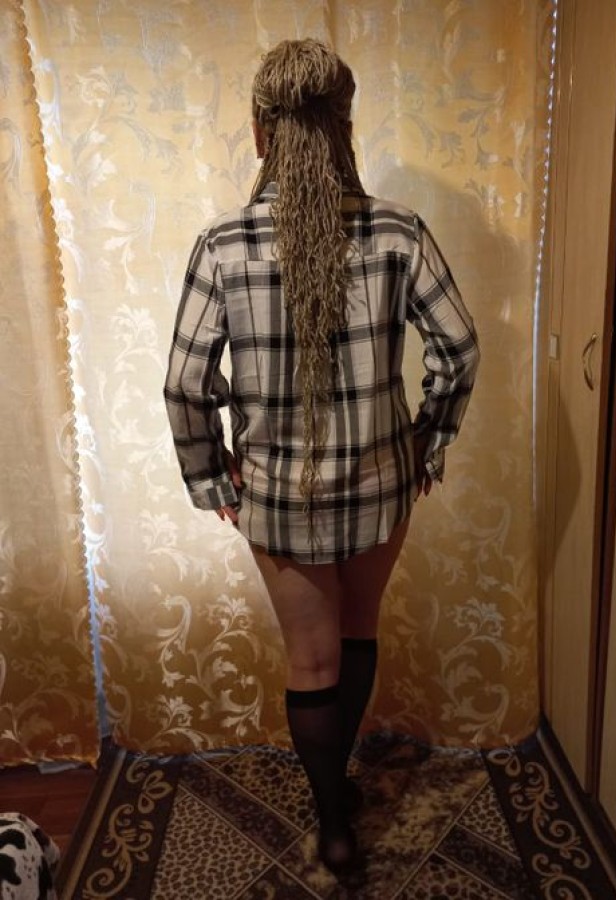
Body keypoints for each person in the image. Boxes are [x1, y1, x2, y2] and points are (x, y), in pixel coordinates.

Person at [164, 38, 479, 876]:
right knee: (359, 630)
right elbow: (458, 350)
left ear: (260, 132)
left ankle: (332, 822)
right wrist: (426, 440)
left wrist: (210, 473)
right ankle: (341, 793)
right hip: (381, 483)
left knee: (310, 659)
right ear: (344, 126)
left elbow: (184, 383)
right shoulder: (397, 231)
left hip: (277, 495)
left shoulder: (223, 243)